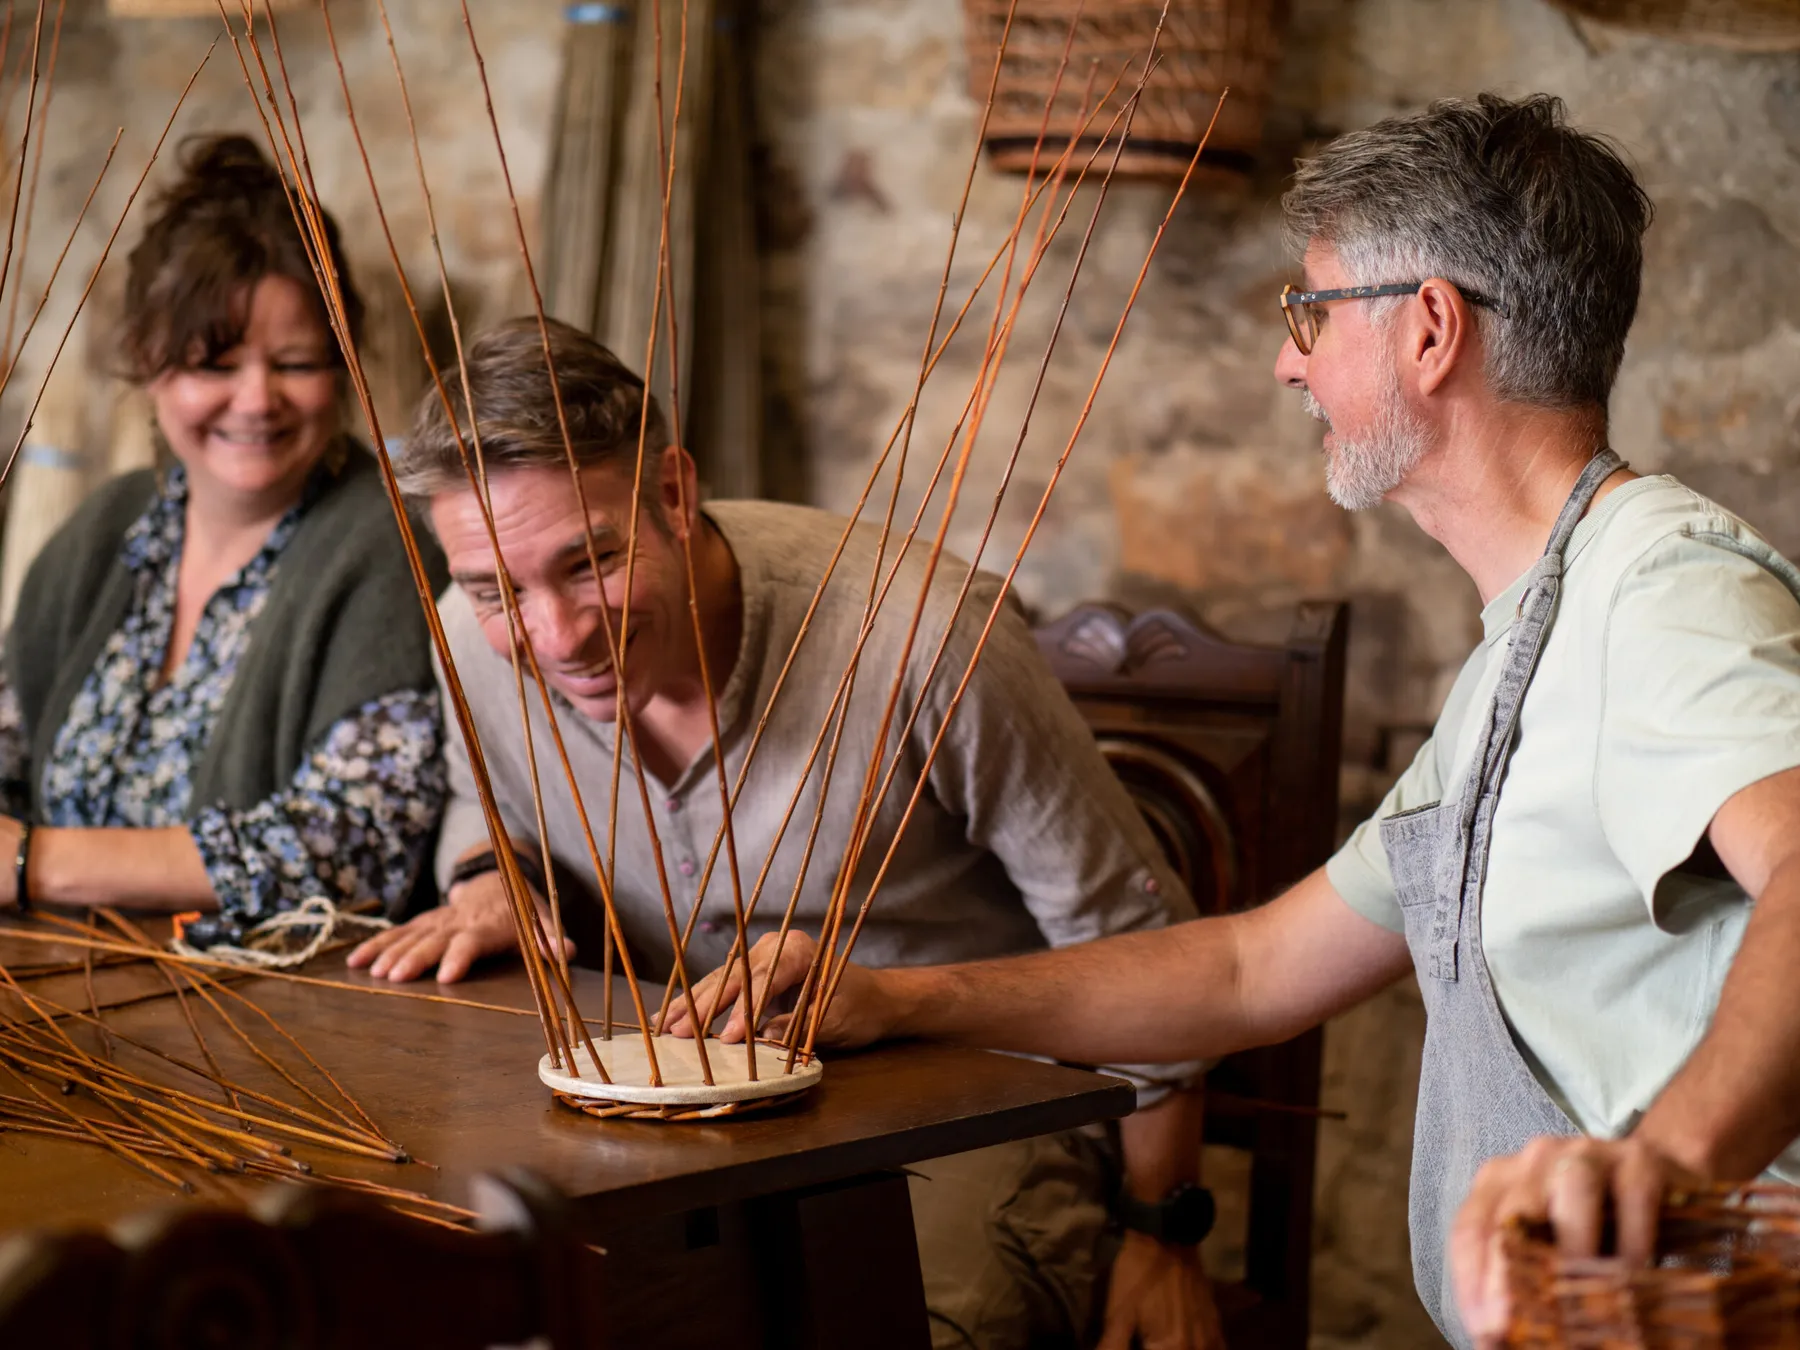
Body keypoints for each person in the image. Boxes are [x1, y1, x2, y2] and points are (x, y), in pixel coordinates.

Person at [678, 92, 1800, 1350]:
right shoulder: (1531, 640)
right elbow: (1250, 970)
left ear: (1429, 332)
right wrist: (893, 998)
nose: (1289, 360)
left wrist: (1671, 1163)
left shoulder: (1664, 587)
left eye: (1312, 312)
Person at [349, 317, 1221, 1350]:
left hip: (956, 1101)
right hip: (663, 1110)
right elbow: (481, 797)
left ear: (674, 492)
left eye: (589, 564)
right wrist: (493, 876)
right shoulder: (467, 633)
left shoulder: (925, 635)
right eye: (499, 589)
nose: (554, 636)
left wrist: (1162, 1234)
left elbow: (1139, 941)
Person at [0, 134, 447, 934]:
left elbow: (352, 847)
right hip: (57, 988)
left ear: (344, 364)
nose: (256, 400)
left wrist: (37, 862)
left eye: (298, 362)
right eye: (215, 365)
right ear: (148, 360)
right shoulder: (103, 530)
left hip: (285, 1023)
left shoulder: (394, 541)